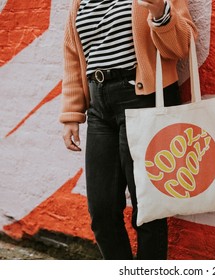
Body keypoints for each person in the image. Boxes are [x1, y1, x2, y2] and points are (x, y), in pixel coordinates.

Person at [59, 0, 197, 260]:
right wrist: (71, 113)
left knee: (147, 211)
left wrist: (160, 12)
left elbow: (182, 45)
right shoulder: (79, 2)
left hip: (143, 99)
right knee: (102, 212)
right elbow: (72, 55)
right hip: (99, 106)